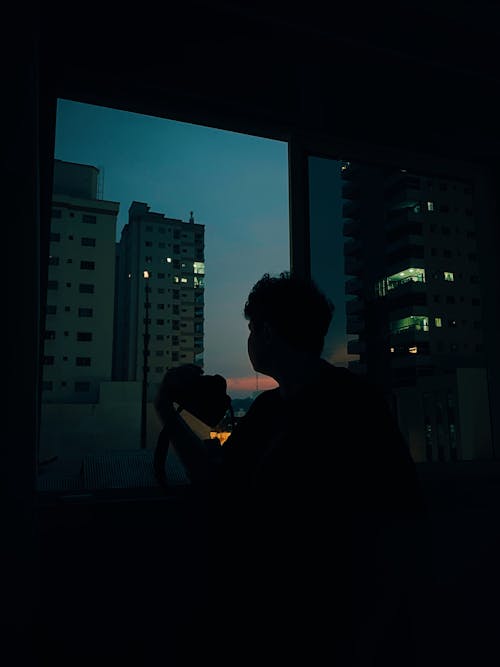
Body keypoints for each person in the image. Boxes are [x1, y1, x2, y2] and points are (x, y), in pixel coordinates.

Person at [154, 271, 429, 666]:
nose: (249, 338)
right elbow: (217, 477)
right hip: (288, 622)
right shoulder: (280, 407)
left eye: (252, 327)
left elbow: (399, 522)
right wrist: (167, 409)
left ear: (268, 332)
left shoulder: (353, 406)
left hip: (330, 625)